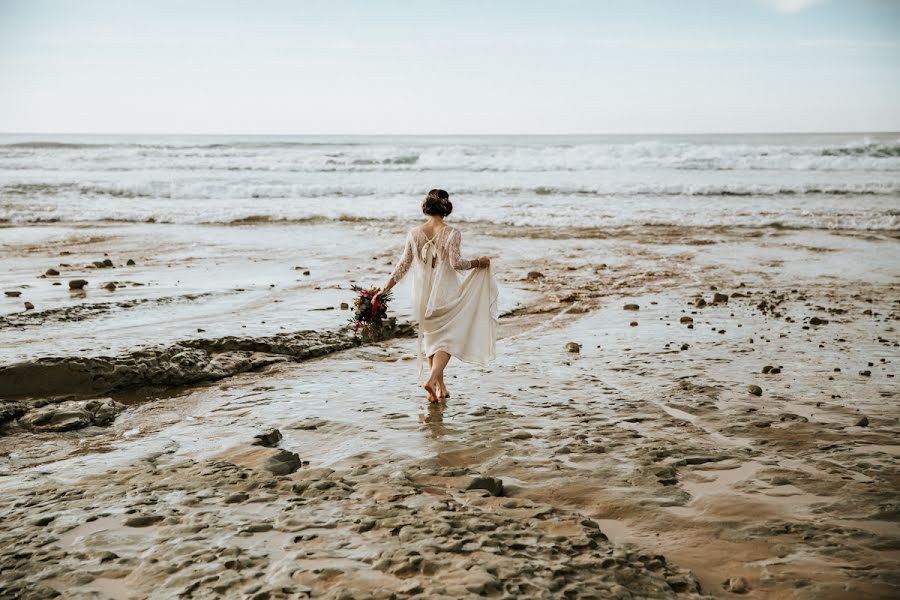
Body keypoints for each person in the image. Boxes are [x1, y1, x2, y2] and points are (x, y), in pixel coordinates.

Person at [376, 189, 498, 402]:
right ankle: (432, 379)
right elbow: (456, 263)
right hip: (445, 292)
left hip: (421, 295)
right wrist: (479, 262)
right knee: (449, 339)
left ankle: (440, 388)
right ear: (446, 207)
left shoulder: (414, 233)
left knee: (432, 339)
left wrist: (383, 290)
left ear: (426, 207)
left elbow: (402, 266)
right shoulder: (452, 233)